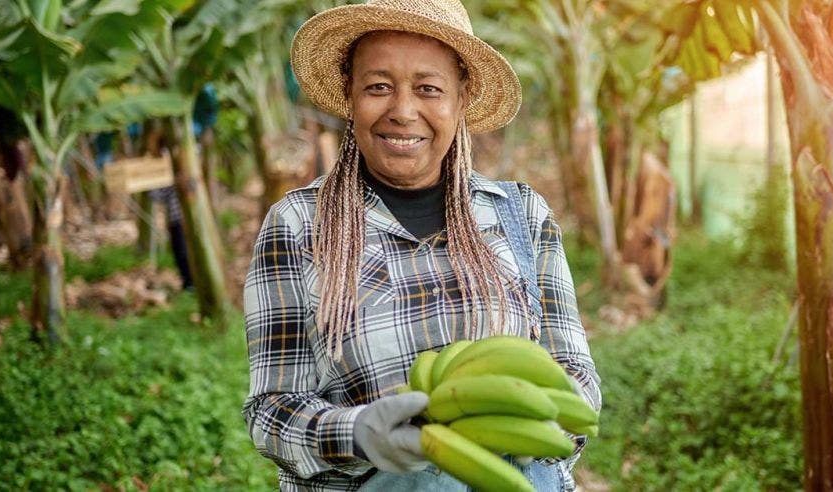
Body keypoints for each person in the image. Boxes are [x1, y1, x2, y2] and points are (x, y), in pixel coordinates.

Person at [242, 1, 601, 490]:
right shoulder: (300, 224)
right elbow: (271, 412)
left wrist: (515, 424)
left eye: (428, 89)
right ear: (350, 95)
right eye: (378, 87)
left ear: (462, 98)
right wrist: (359, 434)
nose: (403, 111)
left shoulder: (520, 214)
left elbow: (574, 374)